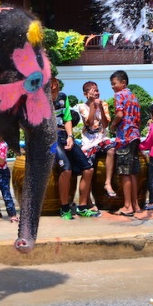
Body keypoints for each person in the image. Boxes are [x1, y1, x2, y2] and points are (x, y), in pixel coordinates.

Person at [50, 77, 99, 220]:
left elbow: (67, 118)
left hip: (64, 135)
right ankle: (64, 208)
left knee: (88, 168)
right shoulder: (39, 100)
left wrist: (70, 136)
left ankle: (82, 207)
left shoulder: (62, 97)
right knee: (66, 169)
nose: (53, 92)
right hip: (50, 140)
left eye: (55, 88)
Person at [106, 70, 142, 216]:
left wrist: (113, 125)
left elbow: (120, 114)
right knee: (132, 172)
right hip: (135, 136)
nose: (113, 87)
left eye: (114, 83)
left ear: (123, 83)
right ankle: (136, 204)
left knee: (125, 173)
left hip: (125, 137)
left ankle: (127, 206)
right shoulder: (134, 97)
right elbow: (139, 120)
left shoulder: (119, 95)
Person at [77, 81, 111, 161]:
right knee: (91, 159)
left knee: (112, 150)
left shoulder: (104, 104)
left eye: (97, 90)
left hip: (102, 139)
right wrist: (92, 104)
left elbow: (105, 125)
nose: (96, 93)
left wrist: (101, 108)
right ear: (86, 94)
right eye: (93, 91)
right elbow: (89, 123)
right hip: (89, 141)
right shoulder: (82, 107)